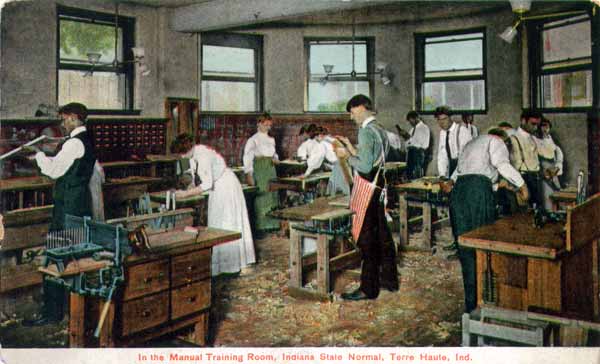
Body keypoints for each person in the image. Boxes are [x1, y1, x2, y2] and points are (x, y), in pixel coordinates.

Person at [23, 102, 97, 326]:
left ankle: (52, 314)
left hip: (67, 209)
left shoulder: (74, 143)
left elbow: (54, 170)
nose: (62, 124)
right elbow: (62, 163)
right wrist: (44, 156)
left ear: (74, 118)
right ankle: (76, 312)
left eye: (64, 119)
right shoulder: (86, 140)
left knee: (56, 257)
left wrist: (37, 156)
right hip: (80, 205)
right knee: (76, 256)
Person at [441, 128, 529, 313]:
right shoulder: (495, 141)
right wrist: (522, 185)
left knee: (466, 249)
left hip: (459, 195)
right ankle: (487, 301)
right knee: (483, 245)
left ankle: (472, 304)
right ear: (503, 140)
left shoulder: (470, 144)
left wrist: (499, 185)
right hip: (478, 195)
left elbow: (462, 177)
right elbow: (501, 166)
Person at [335, 94, 399, 300]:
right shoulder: (379, 130)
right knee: (383, 235)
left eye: (353, 113)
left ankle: (368, 289)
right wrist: (351, 148)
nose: (352, 118)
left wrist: (346, 156)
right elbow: (371, 159)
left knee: (367, 239)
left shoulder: (364, 131)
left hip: (368, 188)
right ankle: (389, 280)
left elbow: (363, 166)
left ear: (361, 108)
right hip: (379, 185)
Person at [172, 134, 255, 276]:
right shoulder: (194, 154)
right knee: (217, 223)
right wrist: (191, 186)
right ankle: (222, 264)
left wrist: (185, 194)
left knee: (228, 223)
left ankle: (235, 264)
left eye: (181, 153)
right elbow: (194, 174)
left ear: (186, 149)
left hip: (226, 186)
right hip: (217, 188)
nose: (182, 157)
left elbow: (207, 183)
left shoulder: (203, 155)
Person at [243, 113, 280, 233]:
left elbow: (274, 154)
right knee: (262, 196)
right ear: (259, 124)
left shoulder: (271, 139)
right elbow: (247, 157)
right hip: (260, 170)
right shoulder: (253, 140)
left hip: (271, 169)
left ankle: (272, 224)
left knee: (272, 195)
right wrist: (249, 174)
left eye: (270, 125)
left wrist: (275, 158)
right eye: (265, 125)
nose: (268, 128)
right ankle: (261, 226)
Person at [509, 110, 543, 208]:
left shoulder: (532, 138)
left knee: (537, 211)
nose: (536, 128)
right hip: (523, 179)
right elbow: (514, 165)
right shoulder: (514, 138)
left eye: (538, 125)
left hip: (535, 179)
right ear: (523, 121)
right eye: (533, 124)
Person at [534, 118, 564, 211]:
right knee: (547, 201)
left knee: (558, 197)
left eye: (547, 126)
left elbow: (558, 158)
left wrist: (557, 169)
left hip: (553, 174)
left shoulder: (551, 141)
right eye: (543, 126)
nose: (545, 129)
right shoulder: (534, 141)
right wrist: (544, 172)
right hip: (542, 174)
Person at [435, 106, 472, 179]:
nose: (441, 122)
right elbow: (442, 155)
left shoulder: (462, 131)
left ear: (450, 118)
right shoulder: (442, 132)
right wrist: (442, 174)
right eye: (439, 120)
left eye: (444, 119)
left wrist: (453, 179)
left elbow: (466, 159)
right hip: (452, 167)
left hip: (465, 169)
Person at [396, 110, 430, 179]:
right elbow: (409, 143)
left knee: (416, 176)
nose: (410, 123)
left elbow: (423, 144)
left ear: (416, 118)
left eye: (411, 120)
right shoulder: (412, 129)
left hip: (418, 155)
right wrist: (405, 137)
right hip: (410, 154)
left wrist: (409, 137)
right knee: (409, 175)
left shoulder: (424, 128)